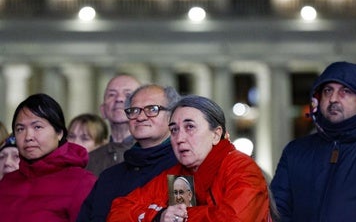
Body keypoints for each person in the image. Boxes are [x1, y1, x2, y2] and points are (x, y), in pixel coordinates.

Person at [107, 95, 270, 222]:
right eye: (174, 130)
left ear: (216, 134)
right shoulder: (179, 174)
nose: (179, 138)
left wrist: (179, 217)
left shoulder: (241, 167)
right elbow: (119, 211)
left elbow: (234, 219)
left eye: (190, 127)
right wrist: (158, 216)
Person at [270, 61, 356, 221]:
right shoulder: (295, 151)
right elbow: (277, 212)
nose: (333, 99)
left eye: (346, 91)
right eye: (327, 91)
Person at [77, 84, 181, 222]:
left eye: (152, 109)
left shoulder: (182, 170)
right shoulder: (109, 177)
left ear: (172, 116)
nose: (141, 117)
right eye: (134, 110)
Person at [0, 93, 97, 221]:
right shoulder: (7, 183)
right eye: (20, 129)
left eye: (37, 127)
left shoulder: (83, 183)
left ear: (59, 133)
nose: (28, 136)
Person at [86, 74, 141, 176]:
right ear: (103, 111)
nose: (119, 99)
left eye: (128, 95)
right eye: (112, 94)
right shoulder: (89, 161)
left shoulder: (160, 155)